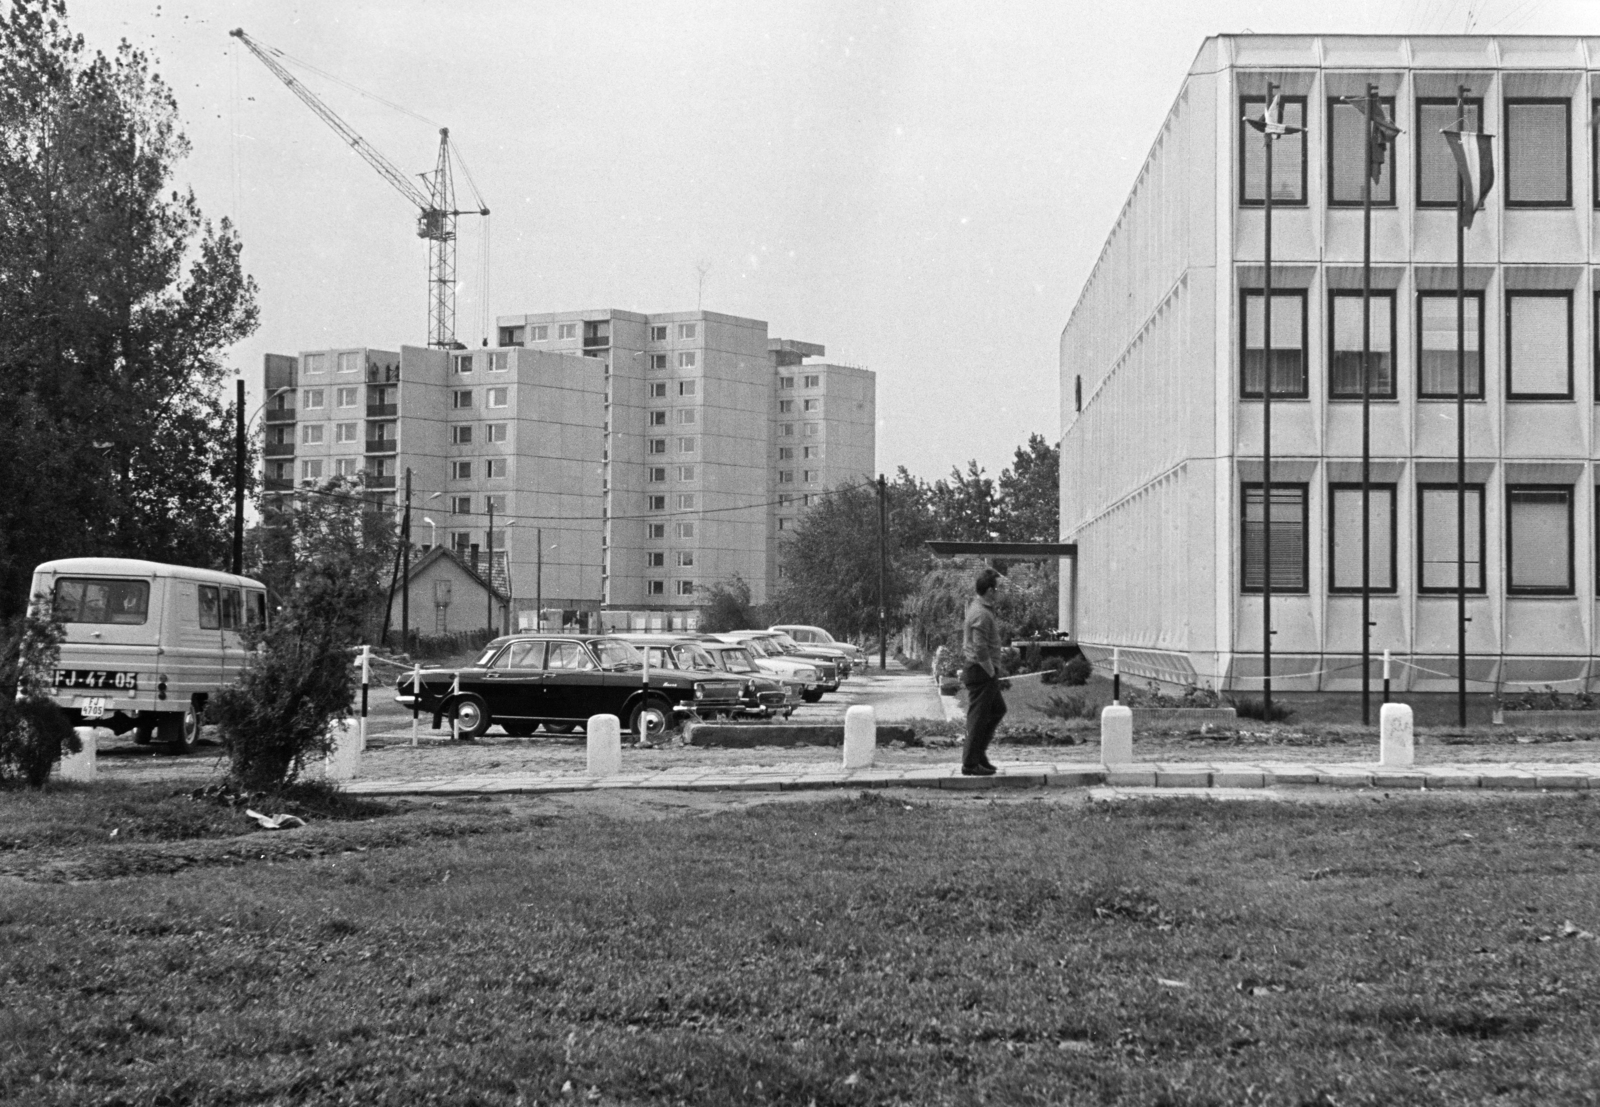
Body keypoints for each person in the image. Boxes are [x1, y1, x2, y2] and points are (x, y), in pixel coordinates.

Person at [960, 567, 1006, 776]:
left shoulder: (981, 608)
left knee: (997, 709)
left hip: (982, 670)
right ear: (989, 591)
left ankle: (979, 755)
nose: (999, 592)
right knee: (978, 718)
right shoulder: (981, 613)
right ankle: (970, 763)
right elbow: (979, 648)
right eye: (997, 589)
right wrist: (990, 671)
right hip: (981, 671)